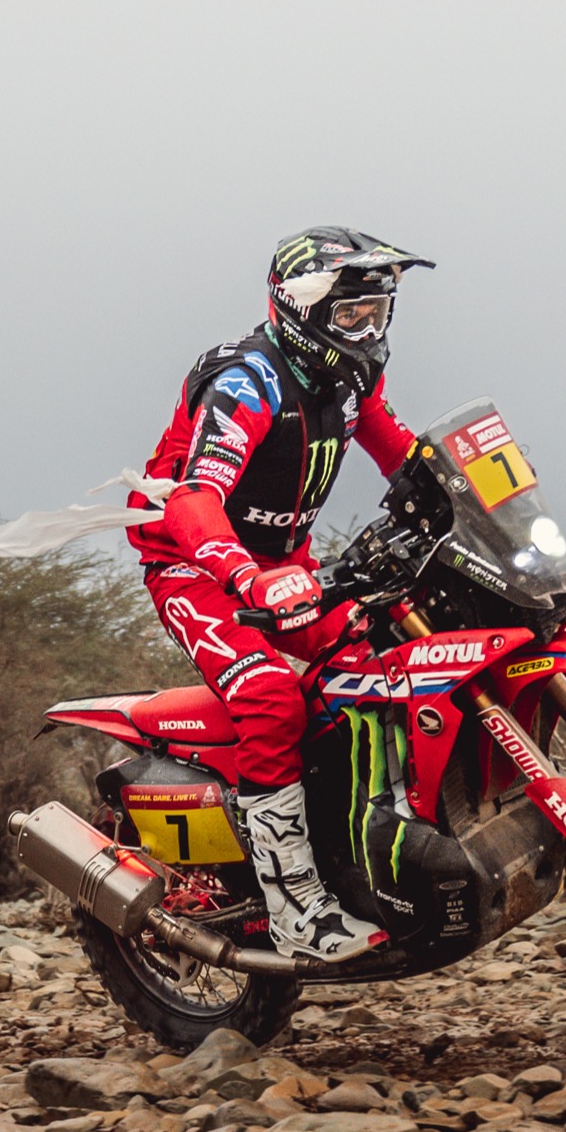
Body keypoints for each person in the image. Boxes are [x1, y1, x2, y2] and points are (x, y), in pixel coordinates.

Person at [131, 226, 435, 959]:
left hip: (289, 565)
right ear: (302, 309)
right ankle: (294, 906)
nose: (368, 330)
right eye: (352, 314)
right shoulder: (248, 382)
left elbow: (405, 455)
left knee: (387, 664)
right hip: (196, 565)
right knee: (270, 695)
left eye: (378, 313)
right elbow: (195, 497)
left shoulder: (353, 380)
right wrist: (247, 576)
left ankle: (371, 857)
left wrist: (475, 496)